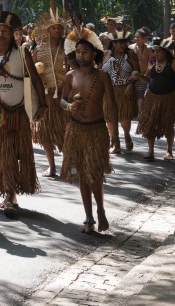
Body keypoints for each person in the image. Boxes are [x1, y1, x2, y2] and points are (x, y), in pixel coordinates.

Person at [0, 4, 47, 214]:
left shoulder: (22, 52)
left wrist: (42, 104)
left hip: (19, 111)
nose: (0, 34)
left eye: (5, 31)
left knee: (17, 152)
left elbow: (35, 78)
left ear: (12, 33)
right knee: (2, 151)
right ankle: (9, 193)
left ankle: (12, 192)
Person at [60, 28, 116, 233]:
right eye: (78, 52)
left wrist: (115, 135)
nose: (81, 55)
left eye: (85, 51)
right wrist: (68, 106)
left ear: (94, 54)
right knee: (83, 175)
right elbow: (62, 99)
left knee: (95, 174)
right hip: (76, 130)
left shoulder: (102, 77)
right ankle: (89, 216)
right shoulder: (69, 76)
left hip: (97, 130)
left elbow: (112, 106)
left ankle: (100, 210)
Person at [31, 2, 70, 177]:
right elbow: (33, 72)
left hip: (63, 95)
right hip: (46, 96)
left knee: (66, 131)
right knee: (45, 132)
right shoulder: (39, 50)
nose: (57, 30)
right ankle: (52, 166)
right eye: (54, 27)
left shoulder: (68, 48)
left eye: (59, 28)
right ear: (47, 30)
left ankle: (68, 163)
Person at [135, 38, 175, 161]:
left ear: (166, 52)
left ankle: (169, 151)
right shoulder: (153, 64)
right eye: (155, 51)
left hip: (169, 98)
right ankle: (151, 151)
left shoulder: (174, 63)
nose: (156, 53)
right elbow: (148, 79)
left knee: (169, 124)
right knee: (150, 124)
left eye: (158, 51)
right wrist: (139, 77)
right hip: (152, 98)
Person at [101, 27, 139, 154]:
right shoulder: (106, 54)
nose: (122, 45)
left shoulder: (130, 54)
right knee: (109, 117)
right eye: (119, 42)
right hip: (108, 90)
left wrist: (131, 85)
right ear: (113, 43)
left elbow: (137, 72)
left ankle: (127, 134)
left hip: (125, 89)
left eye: (124, 42)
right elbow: (100, 72)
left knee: (124, 117)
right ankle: (114, 141)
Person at [129, 28, 152, 113]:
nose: (136, 39)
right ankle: (132, 112)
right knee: (131, 93)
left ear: (144, 39)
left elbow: (151, 62)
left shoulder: (149, 49)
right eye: (135, 37)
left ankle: (140, 113)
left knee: (140, 94)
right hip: (131, 75)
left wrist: (147, 74)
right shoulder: (130, 48)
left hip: (143, 75)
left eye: (138, 37)